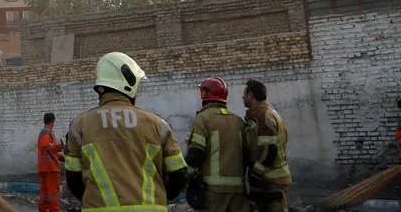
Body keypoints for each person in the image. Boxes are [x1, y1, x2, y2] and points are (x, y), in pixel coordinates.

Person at [64, 53, 187, 212]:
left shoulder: (79, 126)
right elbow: (178, 172)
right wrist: (163, 197)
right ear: (130, 84)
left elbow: (72, 176)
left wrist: (92, 200)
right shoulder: (158, 125)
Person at [184, 78, 249, 212]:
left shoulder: (203, 119)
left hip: (213, 193)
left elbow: (195, 155)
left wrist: (183, 179)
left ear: (204, 95)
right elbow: (249, 155)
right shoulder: (238, 121)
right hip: (239, 191)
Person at [242, 79, 290, 212]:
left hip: (272, 182)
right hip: (270, 180)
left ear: (251, 96)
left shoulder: (263, 116)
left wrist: (255, 180)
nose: (242, 97)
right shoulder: (263, 114)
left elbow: (269, 150)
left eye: (244, 94)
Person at [36, 114, 63, 212]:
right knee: (53, 195)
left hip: (44, 168)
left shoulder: (47, 132)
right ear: (53, 121)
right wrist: (60, 147)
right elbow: (47, 147)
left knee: (44, 195)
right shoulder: (46, 131)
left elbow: (49, 151)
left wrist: (61, 157)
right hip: (50, 169)